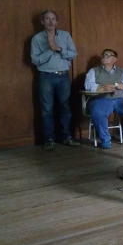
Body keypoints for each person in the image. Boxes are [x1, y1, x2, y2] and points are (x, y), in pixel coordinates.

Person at [31, 9, 80, 150]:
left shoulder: (65, 36)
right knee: (47, 109)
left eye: (53, 18)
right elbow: (35, 60)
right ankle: (49, 140)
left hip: (63, 76)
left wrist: (59, 49)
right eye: (47, 18)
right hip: (46, 77)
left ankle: (67, 137)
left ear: (57, 21)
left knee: (66, 107)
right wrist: (49, 50)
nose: (51, 21)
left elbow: (73, 54)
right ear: (42, 22)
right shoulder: (37, 39)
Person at [84, 49, 123, 149]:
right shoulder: (93, 71)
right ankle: (105, 140)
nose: (104, 56)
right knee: (98, 112)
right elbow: (89, 85)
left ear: (114, 59)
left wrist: (115, 85)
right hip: (101, 99)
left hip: (121, 99)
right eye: (103, 54)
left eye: (108, 55)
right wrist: (105, 88)